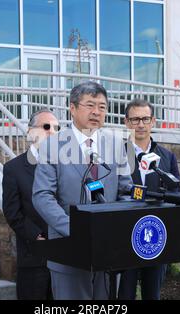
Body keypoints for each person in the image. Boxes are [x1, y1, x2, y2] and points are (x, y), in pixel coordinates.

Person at [32, 81, 132, 300]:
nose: (96, 112)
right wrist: (75, 229)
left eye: (102, 107)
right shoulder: (52, 146)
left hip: (108, 251)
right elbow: (42, 196)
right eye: (89, 105)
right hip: (68, 248)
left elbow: (125, 190)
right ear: (73, 108)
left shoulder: (116, 145)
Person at [118, 98, 180, 300]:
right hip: (124, 236)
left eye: (145, 119)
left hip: (155, 236)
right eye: (135, 120)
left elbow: (176, 195)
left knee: (152, 294)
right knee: (124, 295)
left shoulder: (167, 157)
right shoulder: (117, 153)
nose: (141, 125)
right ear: (127, 122)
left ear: (153, 121)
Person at [2, 109, 60, 300]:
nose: (52, 132)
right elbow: (12, 212)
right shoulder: (14, 168)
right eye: (46, 127)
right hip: (34, 256)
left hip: (65, 256)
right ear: (30, 132)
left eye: (56, 128)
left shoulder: (68, 165)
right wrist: (36, 234)